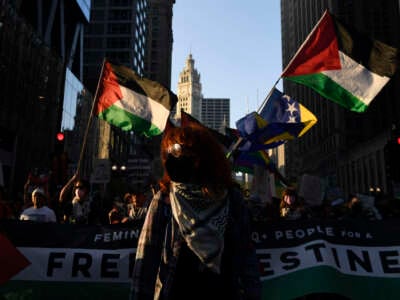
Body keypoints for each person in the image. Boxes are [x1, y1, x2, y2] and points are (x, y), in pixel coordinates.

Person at [130, 123, 261, 300]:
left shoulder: (232, 199)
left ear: (205, 158)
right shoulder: (165, 200)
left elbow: (247, 257)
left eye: (184, 154)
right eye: (172, 154)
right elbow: (146, 260)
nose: (178, 159)